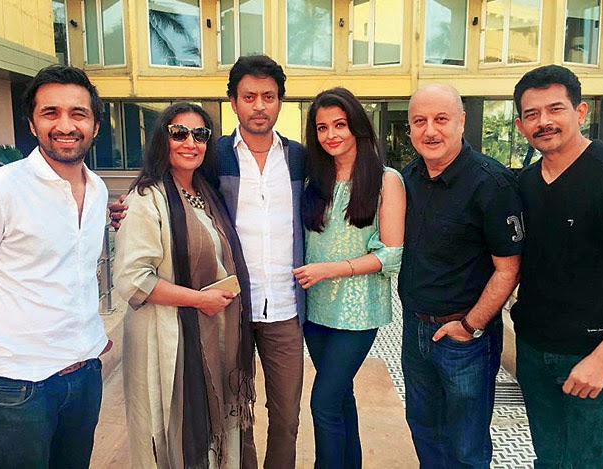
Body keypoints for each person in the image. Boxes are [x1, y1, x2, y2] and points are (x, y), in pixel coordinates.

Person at [110, 55, 306, 468]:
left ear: (280, 101)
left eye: (268, 96)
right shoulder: (215, 155)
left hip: (283, 308)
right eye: (248, 96)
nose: (259, 106)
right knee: (231, 409)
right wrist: (121, 210)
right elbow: (166, 194)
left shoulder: (300, 159)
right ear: (233, 102)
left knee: (286, 417)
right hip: (227, 312)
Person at [0, 65, 110, 468]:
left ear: (95, 125)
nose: (65, 125)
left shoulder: (98, 190)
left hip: (84, 376)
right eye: (51, 113)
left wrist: (89, 334)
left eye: (78, 113)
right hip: (19, 387)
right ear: (32, 124)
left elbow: (76, 272)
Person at [113, 102, 257, 468]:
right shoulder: (147, 198)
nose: (190, 142)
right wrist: (198, 300)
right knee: (172, 432)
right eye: (179, 133)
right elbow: (133, 279)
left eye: (200, 134)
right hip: (167, 339)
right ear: (162, 140)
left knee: (216, 425)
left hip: (214, 333)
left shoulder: (207, 194)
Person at [399, 83, 523, 468]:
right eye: (420, 121)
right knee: (424, 429)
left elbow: (509, 268)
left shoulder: (492, 183)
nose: (430, 130)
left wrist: (470, 326)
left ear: (462, 121)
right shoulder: (407, 178)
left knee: (466, 445)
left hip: (465, 337)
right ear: (409, 128)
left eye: (441, 119)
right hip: (415, 329)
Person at [511, 64, 603, 468]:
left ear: (580, 111)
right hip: (535, 350)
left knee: (591, 461)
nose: (544, 122)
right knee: (549, 458)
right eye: (532, 114)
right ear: (521, 125)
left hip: (597, 355)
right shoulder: (525, 183)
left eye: (555, 109)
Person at [293, 87, 405, 468]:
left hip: (358, 312)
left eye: (339, 124)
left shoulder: (386, 181)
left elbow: (391, 255)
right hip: (316, 310)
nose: (331, 135)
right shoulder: (314, 182)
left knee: (323, 402)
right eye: (322, 127)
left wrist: (330, 269)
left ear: (357, 126)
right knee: (340, 398)